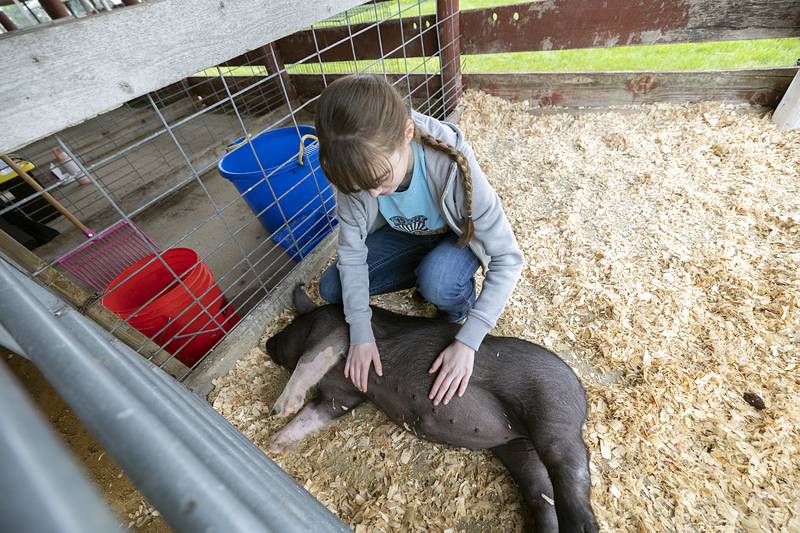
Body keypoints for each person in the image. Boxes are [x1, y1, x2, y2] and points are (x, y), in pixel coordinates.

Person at [314, 74, 523, 406]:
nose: (370, 193)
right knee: (331, 289)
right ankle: (424, 277)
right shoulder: (355, 170)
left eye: (380, 179)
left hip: (456, 238)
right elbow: (352, 256)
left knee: (439, 281)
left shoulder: (452, 161)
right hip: (405, 234)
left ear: (407, 135)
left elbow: (508, 259)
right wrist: (361, 332)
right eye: (359, 185)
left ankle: (454, 304)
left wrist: (469, 340)